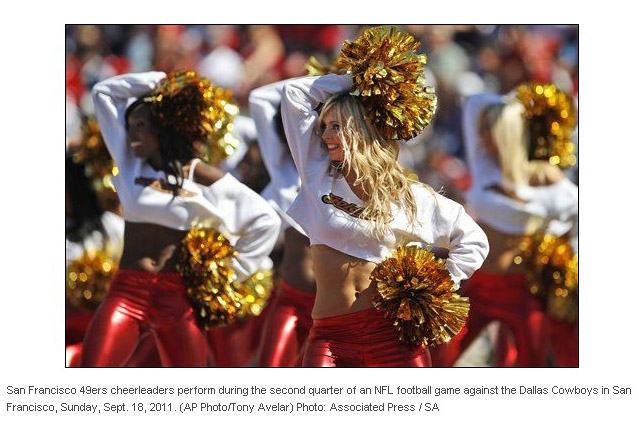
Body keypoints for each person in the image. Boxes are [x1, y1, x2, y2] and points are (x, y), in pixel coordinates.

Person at [277, 69, 489, 367]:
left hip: (393, 337)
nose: (324, 136)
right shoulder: (317, 176)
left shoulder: (407, 195)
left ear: (359, 129)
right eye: (323, 126)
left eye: (335, 126)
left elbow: (473, 239)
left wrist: (441, 283)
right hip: (330, 338)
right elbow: (293, 95)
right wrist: (365, 82)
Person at [82, 71, 280, 367]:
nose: (132, 134)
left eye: (141, 126)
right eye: (129, 126)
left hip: (177, 299)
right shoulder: (130, 162)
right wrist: (161, 83)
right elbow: (104, 92)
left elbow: (266, 220)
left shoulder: (198, 174)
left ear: (162, 129)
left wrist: (231, 273)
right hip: (126, 293)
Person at [431, 86, 578, 367]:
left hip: (519, 290)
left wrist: (556, 245)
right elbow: (474, 101)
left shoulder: (540, 173)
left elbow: (576, 207)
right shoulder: (484, 167)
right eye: (483, 128)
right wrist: (510, 104)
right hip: (477, 285)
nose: (481, 135)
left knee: (529, 366)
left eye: (491, 129)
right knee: (441, 359)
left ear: (508, 132)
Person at [249, 81, 317, 367]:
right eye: (286, 133)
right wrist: (327, 80)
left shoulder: (339, 176)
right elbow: (259, 97)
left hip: (334, 312)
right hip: (290, 302)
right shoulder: (284, 178)